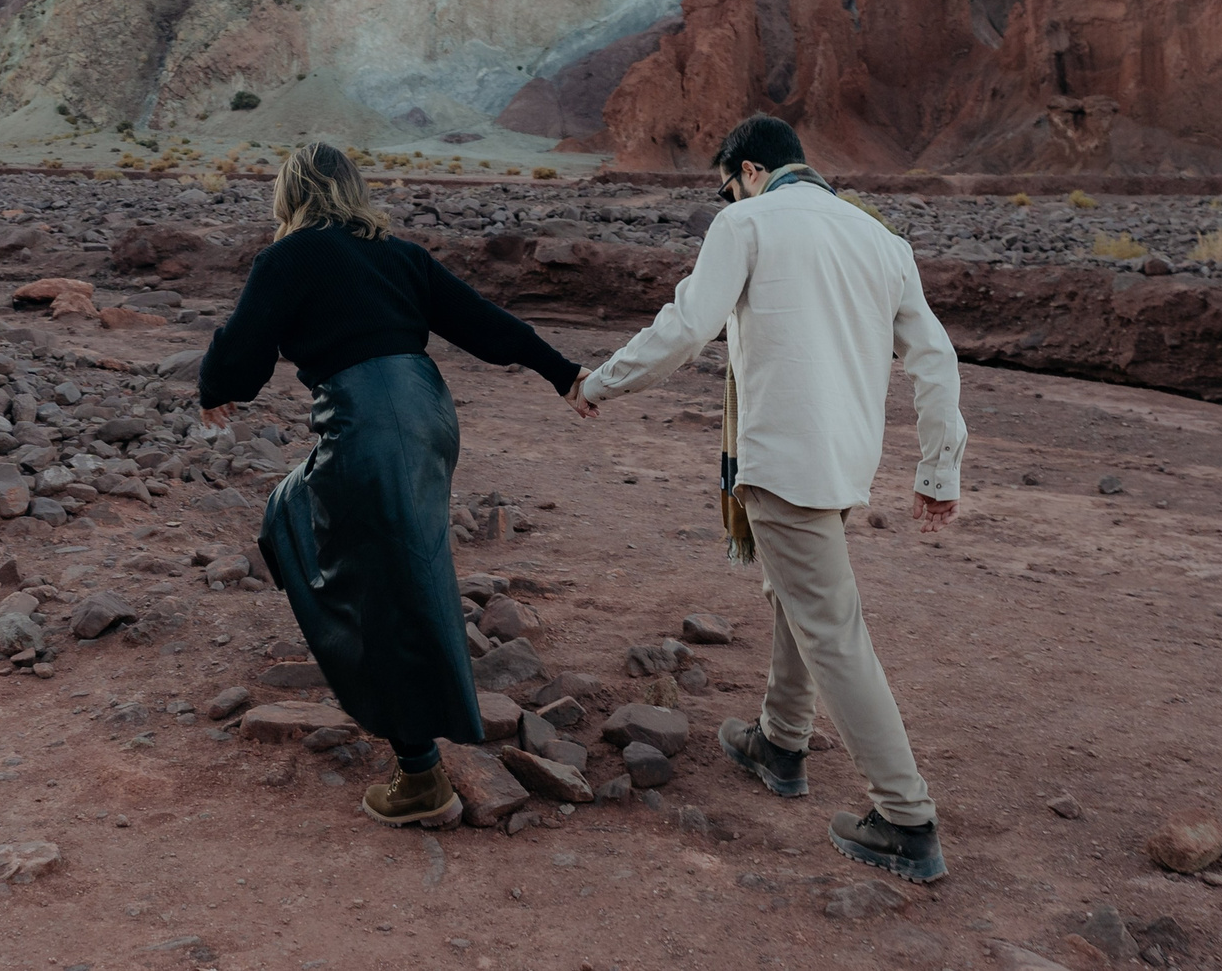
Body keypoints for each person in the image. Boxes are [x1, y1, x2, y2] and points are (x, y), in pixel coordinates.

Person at [573, 115, 966, 882]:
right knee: (797, 596)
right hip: (844, 460)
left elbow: (689, 328)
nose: (728, 196)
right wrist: (936, 469)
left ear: (749, 170)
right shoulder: (880, 240)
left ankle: (905, 818)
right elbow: (936, 360)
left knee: (832, 628)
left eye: (728, 185)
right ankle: (780, 741)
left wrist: (599, 382)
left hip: (784, 458)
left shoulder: (746, 222)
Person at [200, 141, 593, 827]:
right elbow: (480, 321)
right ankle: (410, 709)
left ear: (289, 196)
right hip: (427, 417)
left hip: (370, 424)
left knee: (373, 575)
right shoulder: (397, 253)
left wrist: (217, 387)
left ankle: (420, 776)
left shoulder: (288, 257)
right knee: (325, 529)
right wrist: (561, 371)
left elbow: (246, 342)